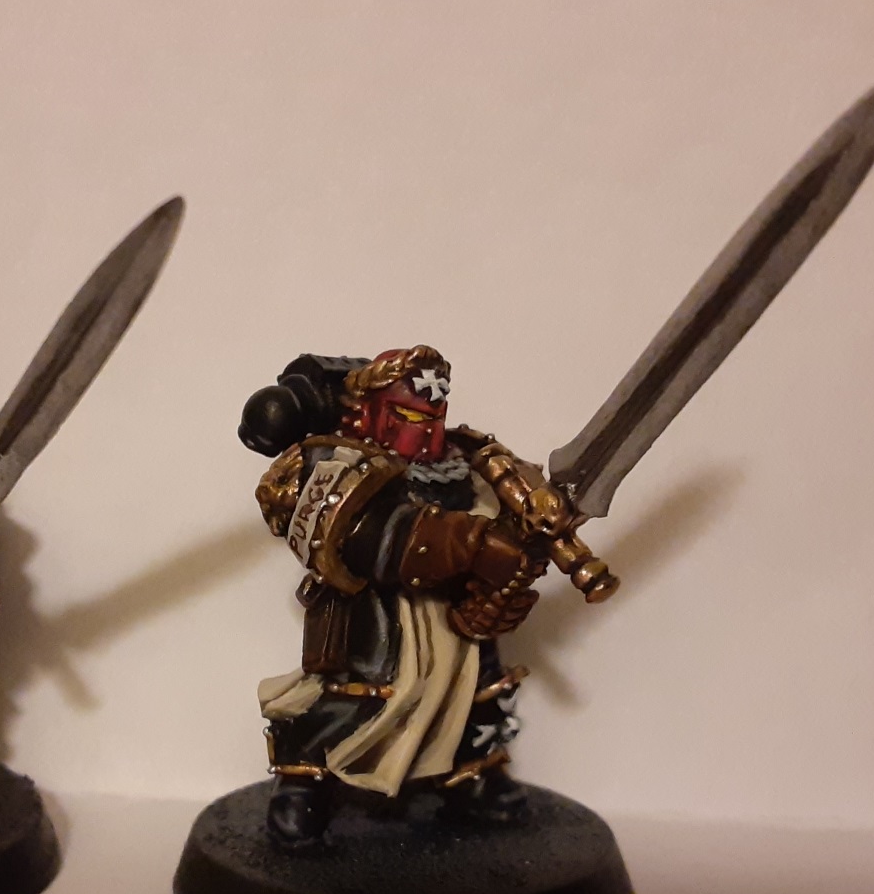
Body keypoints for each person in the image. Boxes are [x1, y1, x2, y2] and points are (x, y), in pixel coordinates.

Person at [240, 345, 617, 845]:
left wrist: (522, 538)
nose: (428, 431)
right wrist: (471, 544)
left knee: (475, 695)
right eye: (410, 417)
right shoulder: (333, 460)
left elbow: (502, 515)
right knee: (351, 702)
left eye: (434, 416)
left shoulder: (469, 457)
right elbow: (359, 535)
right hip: (372, 612)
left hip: (454, 611)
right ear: (370, 411)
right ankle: (302, 782)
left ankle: (472, 776)